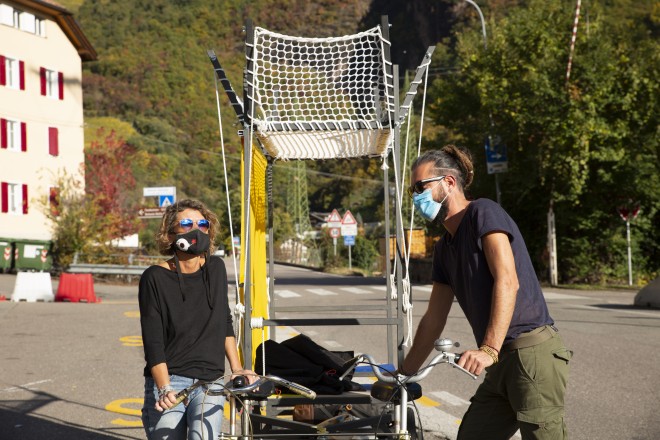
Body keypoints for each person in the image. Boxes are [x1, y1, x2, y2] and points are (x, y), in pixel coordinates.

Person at [400, 146, 572, 440]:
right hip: (500, 362)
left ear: (449, 183)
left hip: (529, 353)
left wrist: (488, 349)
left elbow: (508, 280)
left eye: (420, 187)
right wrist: (403, 376)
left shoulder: (483, 212)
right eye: (412, 191)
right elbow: (433, 319)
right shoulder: (444, 248)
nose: (416, 197)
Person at [139, 199, 255, 440]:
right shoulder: (154, 277)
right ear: (170, 233)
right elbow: (153, 343)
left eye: (202, 224)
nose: (196, 229)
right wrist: (164, 388)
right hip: (170, 381)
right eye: (186, 223)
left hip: (210, 380)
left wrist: (236, 368)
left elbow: (224, 322)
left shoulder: (216, 269)